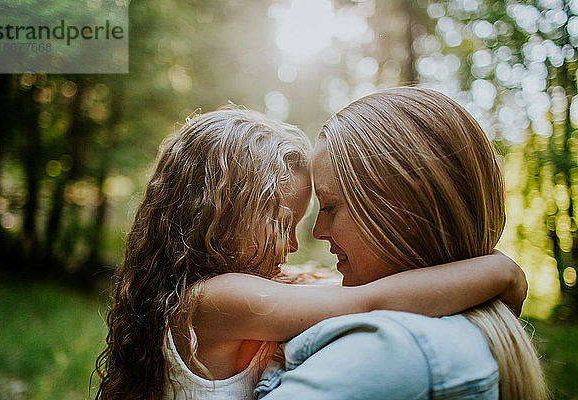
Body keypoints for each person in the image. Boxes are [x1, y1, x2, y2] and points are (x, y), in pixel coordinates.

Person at [94, 106, 527, 400]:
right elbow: (368, 300)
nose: (297, 244)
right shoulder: (214, 299)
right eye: (284, 222)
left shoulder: (227, 295)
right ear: (222, 212)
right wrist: (500, 272)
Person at [255, 87, 547, 400]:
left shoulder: (391, 351)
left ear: (408, 210)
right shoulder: (461, 326)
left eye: (330, 206)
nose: (317, 231)